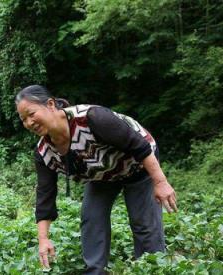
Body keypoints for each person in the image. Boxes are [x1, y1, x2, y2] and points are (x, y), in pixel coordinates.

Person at [15, 85, 177, 274]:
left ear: (50, 104)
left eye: (31, 113)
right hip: (101, 174)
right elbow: (45, 195)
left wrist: (160, 182)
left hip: (138, 163)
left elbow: (139, 146)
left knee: (144, 223)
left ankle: (152, 267)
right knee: (91, 218)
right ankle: (95, 271)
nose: (29, 122)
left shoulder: (92, 118)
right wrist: (43, 240)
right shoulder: (44, 152)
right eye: (23, 119)